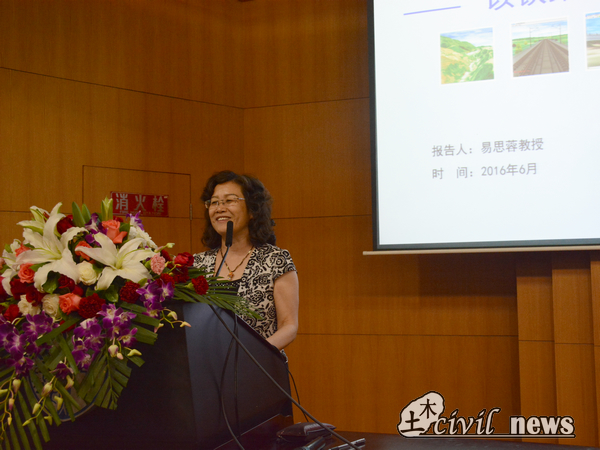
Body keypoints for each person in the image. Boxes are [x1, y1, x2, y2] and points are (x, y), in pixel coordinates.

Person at [193, 170, 299, 351]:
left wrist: (253, 353)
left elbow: (289, 326)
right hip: (207, 364)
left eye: (229, 201)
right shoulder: (197, 264)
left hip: (258, 363)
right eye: (214, 202)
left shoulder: (275, 260)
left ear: (252, 210)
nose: (219, 208)